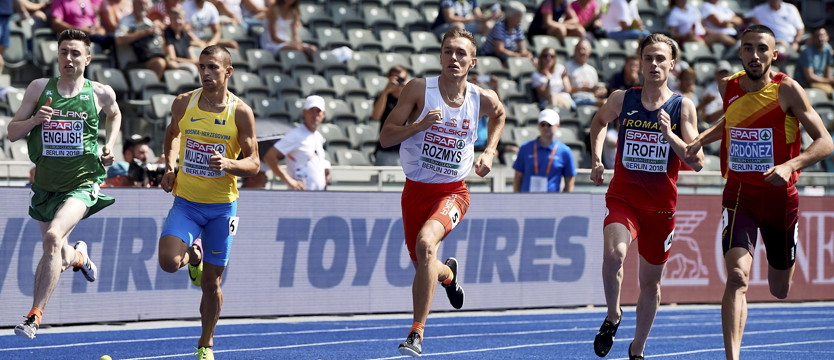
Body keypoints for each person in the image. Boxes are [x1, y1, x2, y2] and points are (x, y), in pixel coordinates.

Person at [684, 25, 834, 360]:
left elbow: (825, 142)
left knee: (779, 290)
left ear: (774, 54)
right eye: (748, 48)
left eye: (762, 49)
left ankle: (787, 243)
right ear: (740, 53)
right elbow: (732, 121)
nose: (755, 55)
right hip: (739, 195)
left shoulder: (789, 90)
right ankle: (733, 357)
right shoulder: (730, 86)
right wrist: (701, 139)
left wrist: (790, 165)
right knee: (737, 277)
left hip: (781, 199)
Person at [379, 28, 506, 357]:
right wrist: (418, 126)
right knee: (425, 261)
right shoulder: (420, 89)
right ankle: (448, 276)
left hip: (454, 191)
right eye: (448, 51)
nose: (454, 57)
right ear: (440, 56)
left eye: (461, 53)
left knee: (425, 244)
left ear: (472, 61)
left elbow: (500, 114)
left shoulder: (482, 98)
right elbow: (386, 137)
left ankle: (416, 334)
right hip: (415, 191)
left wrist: (490, 151)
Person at [588, 33, 704, 360]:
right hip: (623, 199)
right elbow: (597, 122)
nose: (654, 64)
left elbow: (696, 162)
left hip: (660, 210)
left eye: (660, 58)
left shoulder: (682, 107)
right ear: (640, 62)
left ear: (672, 64)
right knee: (614, 254)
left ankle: (637, 348)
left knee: (650, 285)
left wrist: (669, 135)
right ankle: (613, 315)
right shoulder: (623, 99)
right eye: (648, 57)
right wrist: (597, 160)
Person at [7, 29, 122, 339]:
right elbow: (12, 133)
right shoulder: (39, 88)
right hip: (45, 186)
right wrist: (33, 121)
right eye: (63, 52)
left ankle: (33, 317)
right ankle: (79, 257)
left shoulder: (100, 92)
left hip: (82, 183)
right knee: (57, 249)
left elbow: (115, 114)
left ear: (87, 58)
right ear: (56, 56)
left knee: (53, 237)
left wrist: (109, 145)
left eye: (75, 53)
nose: (68, 58)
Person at [157, 44, 259, 360]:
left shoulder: (240, 112)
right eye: (202, 67)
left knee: (211, 284)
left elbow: (254, 163)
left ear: (228, 72)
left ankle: (205, 344)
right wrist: (169, 167)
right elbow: (172, 134)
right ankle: (193, 254)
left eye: (213, 67)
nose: (205, 73)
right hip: (187, 202)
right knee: (168, 262)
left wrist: (230, 164)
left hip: (222, 207)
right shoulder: (183, 103)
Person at [262, 95, 331, 191]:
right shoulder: (296, 134)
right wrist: (289, 181)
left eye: (318, 111)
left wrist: (325, 172)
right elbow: (269, 157)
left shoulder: (318, 136)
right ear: (304, 112)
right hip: (300, 197)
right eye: (311, 110)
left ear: (323, 114)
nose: (315, 114)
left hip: (317, 196)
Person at [512, 109, 576, 192]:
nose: (546, 127)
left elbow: (569, 183)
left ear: (557, 126)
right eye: (543, 124)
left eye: (549, 125)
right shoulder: (525, 148)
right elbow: (517, 178)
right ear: (538, 126)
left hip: (552, 202)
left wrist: (562, 203)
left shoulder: (565, 151)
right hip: (527, 201)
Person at [114, 0, 169, 79]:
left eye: (145, 4)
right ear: (133, 4)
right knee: (159, 63)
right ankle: (153, 89)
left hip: (148, 58)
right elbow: (118, 40)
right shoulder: (125, 21)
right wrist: (145, 32)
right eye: (140, 3)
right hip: (130, 64)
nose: (143, 7)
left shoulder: (149, 23)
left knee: (170, 63)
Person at [373, 65, 409, 166]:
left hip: (405, 150)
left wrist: (408, 89)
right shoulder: (383, 96)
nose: (399, 82)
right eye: (396, 79)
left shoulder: (411, 98)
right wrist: (386, 91)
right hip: (386, 150)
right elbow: (376, 116)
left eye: (402, 79)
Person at [794, 27, 834, 96]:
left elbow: (827, 69)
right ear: (812, 38)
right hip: (806, 84)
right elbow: (809, 77)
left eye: (822, 36)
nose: (820, 39)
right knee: (830, 92)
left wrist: (829, 80)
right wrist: (828, 81)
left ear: (827, 37)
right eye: (817, 36)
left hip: (821, 80)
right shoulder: (806, 52)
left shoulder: (828, 49)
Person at [567, 39, 607, 107]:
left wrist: (601, 91)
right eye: (579, 49)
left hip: (592, 98)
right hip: (576, 99)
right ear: (574, 51)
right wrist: (585, 89)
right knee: (605, 104)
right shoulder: (567, 67)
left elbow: (595, 91)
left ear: (589, 52)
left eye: (584, 49)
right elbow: (567, 90)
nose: (581, 52)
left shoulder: (592, 70)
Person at [164, 7, 201, 78]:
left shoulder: (185, 34)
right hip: (176, 64)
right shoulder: (167, 33)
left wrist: (196, 62)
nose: (177, 21)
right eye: (174, 18)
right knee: (191, 69)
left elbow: (192, 56)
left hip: (186, 62)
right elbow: (172, 58)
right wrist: (193, 62)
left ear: (184, 20)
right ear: (170, 20)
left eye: (180, 18)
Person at [431, 0, 500, 36]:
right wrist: (472, 19)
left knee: (487, 25)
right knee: (459, 26)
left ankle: (480, 51)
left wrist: (491, 16)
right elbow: (450, 19)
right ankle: (459, 49)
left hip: (464, 26)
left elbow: (479, 16)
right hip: (442, 27)